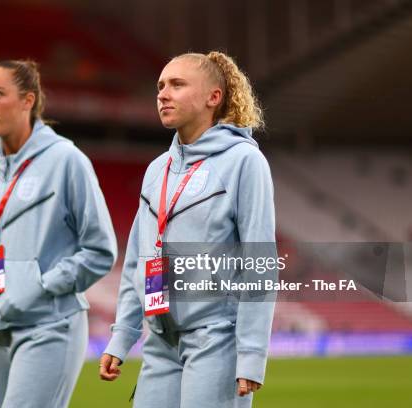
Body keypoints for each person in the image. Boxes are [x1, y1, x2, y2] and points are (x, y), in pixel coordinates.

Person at [99, 51, 276, 408]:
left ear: (214, 97)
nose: (163, 94)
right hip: (160, 341)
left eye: (177, 85)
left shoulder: (245, 161)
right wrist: (122, 336)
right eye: (160, 86)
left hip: (217, 341)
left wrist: (252, 353)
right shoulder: (156, 170)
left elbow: (260, 261)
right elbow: (138, 259)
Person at [0, 59, 117, 408]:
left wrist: (41, 286)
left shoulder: (66, 161)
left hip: (50, 326)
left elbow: (100, 249)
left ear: (28, 101)